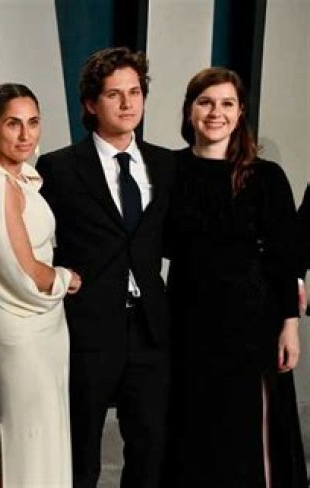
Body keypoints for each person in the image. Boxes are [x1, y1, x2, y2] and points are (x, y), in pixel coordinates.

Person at [36, 47, 175, 488]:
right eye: (114, 94)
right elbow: (40, 243)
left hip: (150, 329)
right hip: (87, 328)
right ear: (91, 104)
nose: (128, 103)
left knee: (150, 448)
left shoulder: (167, 164)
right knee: (81, 453)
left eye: (135, 92)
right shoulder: (58, 168)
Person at [163, 67, 307, 488]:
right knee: (195, 433)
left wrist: (290, 327)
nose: (216, 112)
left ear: (241, 111)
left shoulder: (267, 177)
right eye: (205, 102)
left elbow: (284, 258)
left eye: (227, 103)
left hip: (252, 324)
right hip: (187, 323)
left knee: (250, 432)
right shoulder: (167, 170)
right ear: (189, 110)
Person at [0, 83, 81, 487]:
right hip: (19, 326)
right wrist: (64, 278)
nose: (25, 134)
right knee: (27, 444)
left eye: (33, 123)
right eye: (13, 124)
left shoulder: (23, 180)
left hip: (48, 324)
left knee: (39, 442)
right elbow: (21, 269)